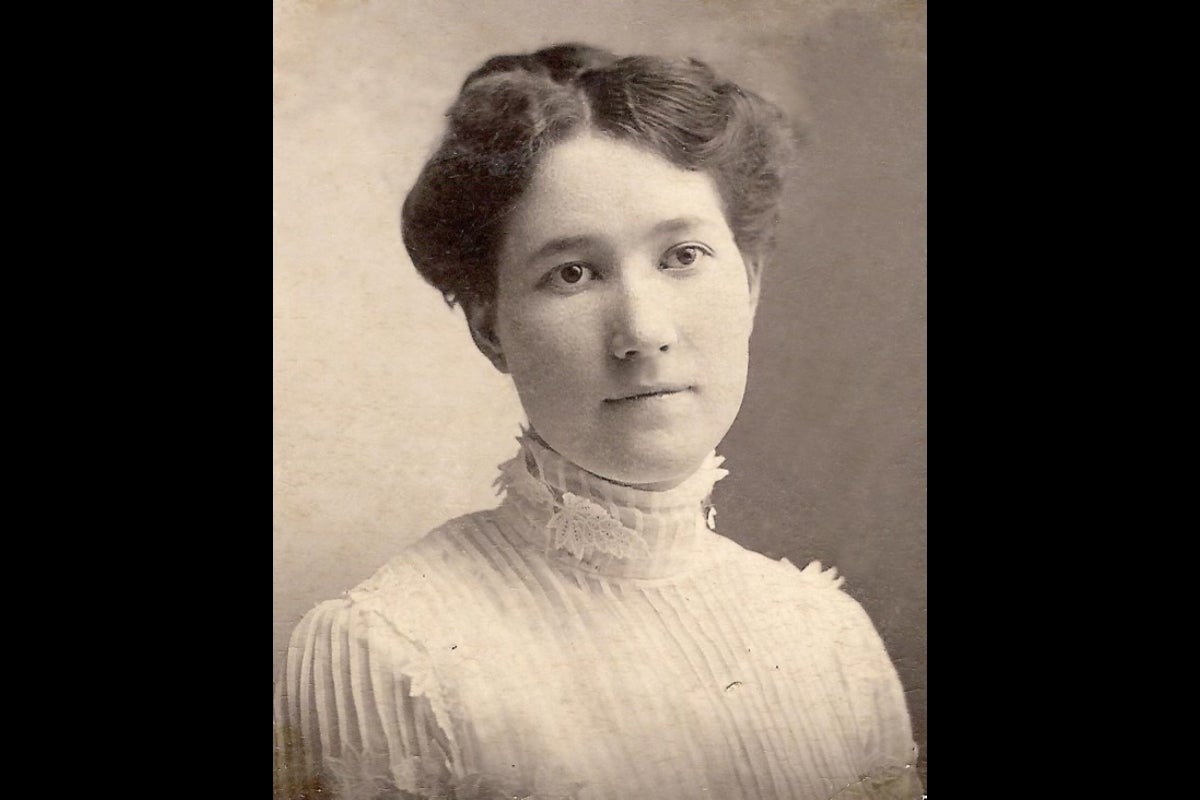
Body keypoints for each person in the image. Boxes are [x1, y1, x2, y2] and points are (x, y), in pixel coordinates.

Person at [274, 43, 921, 800]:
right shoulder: (386, 652)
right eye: (572, 273)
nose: (642, 331)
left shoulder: (830, 639)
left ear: (747, 284)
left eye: (682, 255)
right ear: (490, 325)